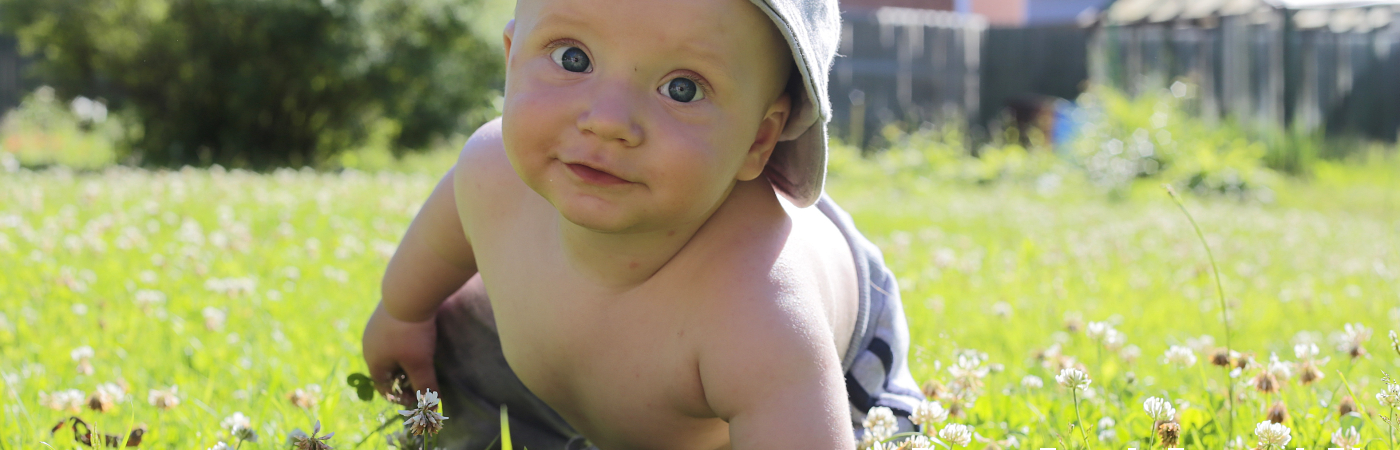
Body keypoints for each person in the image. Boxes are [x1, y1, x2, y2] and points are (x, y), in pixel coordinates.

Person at [360, 0, 923, 447]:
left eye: (683, 88)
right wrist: (403, 315)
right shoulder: (490, 172)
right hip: (573, 360)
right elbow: (443, 240)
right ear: (511, 59)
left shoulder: (761, 310)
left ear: (759, 139)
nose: (608, 121)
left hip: (839, 359)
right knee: (459, 347)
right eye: (572, 58)